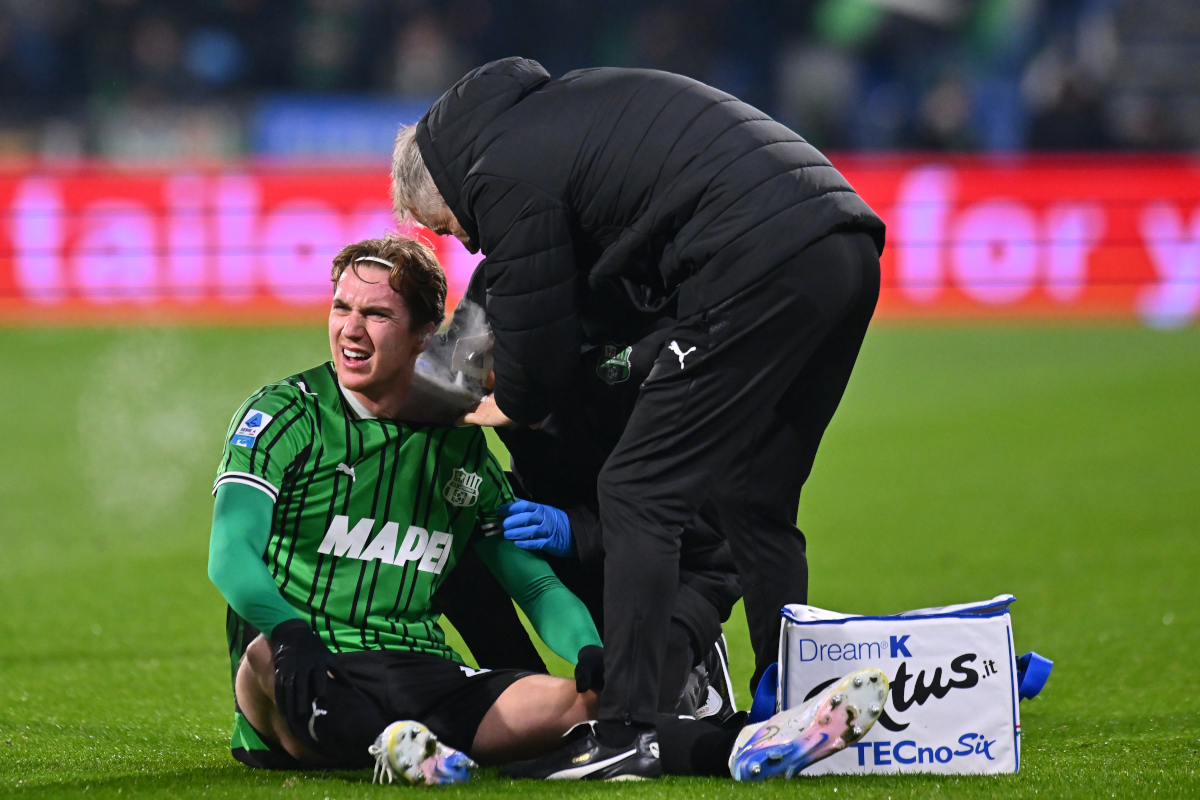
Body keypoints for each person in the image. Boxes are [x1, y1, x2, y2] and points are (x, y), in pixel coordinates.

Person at [391, 57, 885, 779]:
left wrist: (513, 402)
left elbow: (530, 333)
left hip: (755, 256)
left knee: (637, 490)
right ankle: (791, 699)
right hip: (842, 242)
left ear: (442, 183)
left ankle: (626, 728)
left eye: (450, 225)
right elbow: (493, 328)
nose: (468, 241)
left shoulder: (498, 171)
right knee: (757, 496)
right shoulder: (556, 125)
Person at [208, 234, 603, 783]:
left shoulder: (459, 448)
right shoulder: (286, 416)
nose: (350, 329)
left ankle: (409, 747)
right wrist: (290, 632)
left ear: (423, 335)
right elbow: (230, 553)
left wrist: (589, 650)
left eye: (376, 315)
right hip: (310, 663)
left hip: (423, 675)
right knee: (261, 660)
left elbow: (535, 587)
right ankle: (401, 744)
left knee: (595, 699)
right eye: (341, 308)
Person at [433, 273, 741, 721]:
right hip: (568, 524)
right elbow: (434, 381)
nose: (485, 382)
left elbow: (710, 521)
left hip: (678, 558)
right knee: (449, 511)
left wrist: (577, 530)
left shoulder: (654, 362)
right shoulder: (500, 303)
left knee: (638, 717)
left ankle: (697, 662)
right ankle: (517, 687)